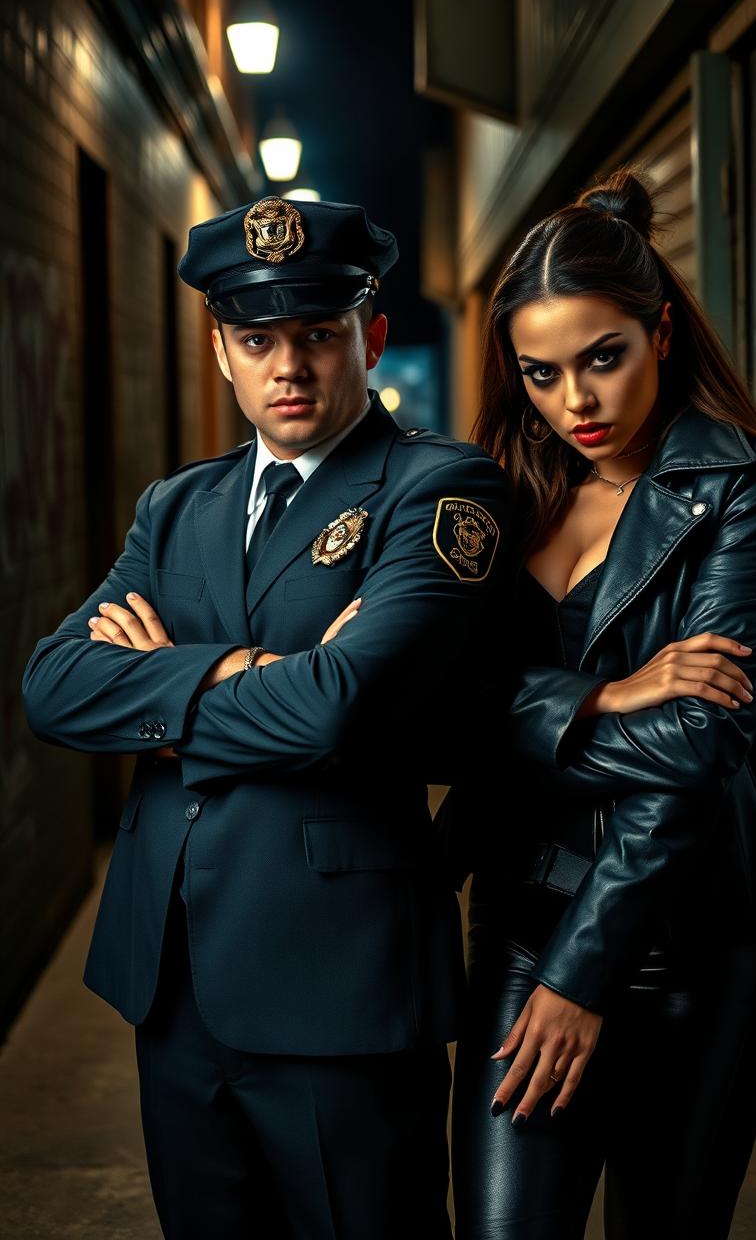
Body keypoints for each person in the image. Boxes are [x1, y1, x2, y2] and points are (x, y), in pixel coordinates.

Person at [22, 195, 510, 1240]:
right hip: (175, 976)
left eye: (318, 336)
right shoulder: (177, 507)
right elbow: (53, 685)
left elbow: (337, 708)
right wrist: (246, 668)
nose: (288, 366)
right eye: (258, 339)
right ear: (221, 354)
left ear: (369, 339)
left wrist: (159, 680)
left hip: (338, 978)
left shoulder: (436, 491)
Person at [442, 168, 756, 1239]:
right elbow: (438, 711)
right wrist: (602, 694)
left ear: (660, 331)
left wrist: (585, 971)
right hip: (519, 928)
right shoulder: (487, 495)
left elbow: (697, 748)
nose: (578, 403)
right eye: (542, 372)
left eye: (602, 358)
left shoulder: (754, 489)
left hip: (693, 947)